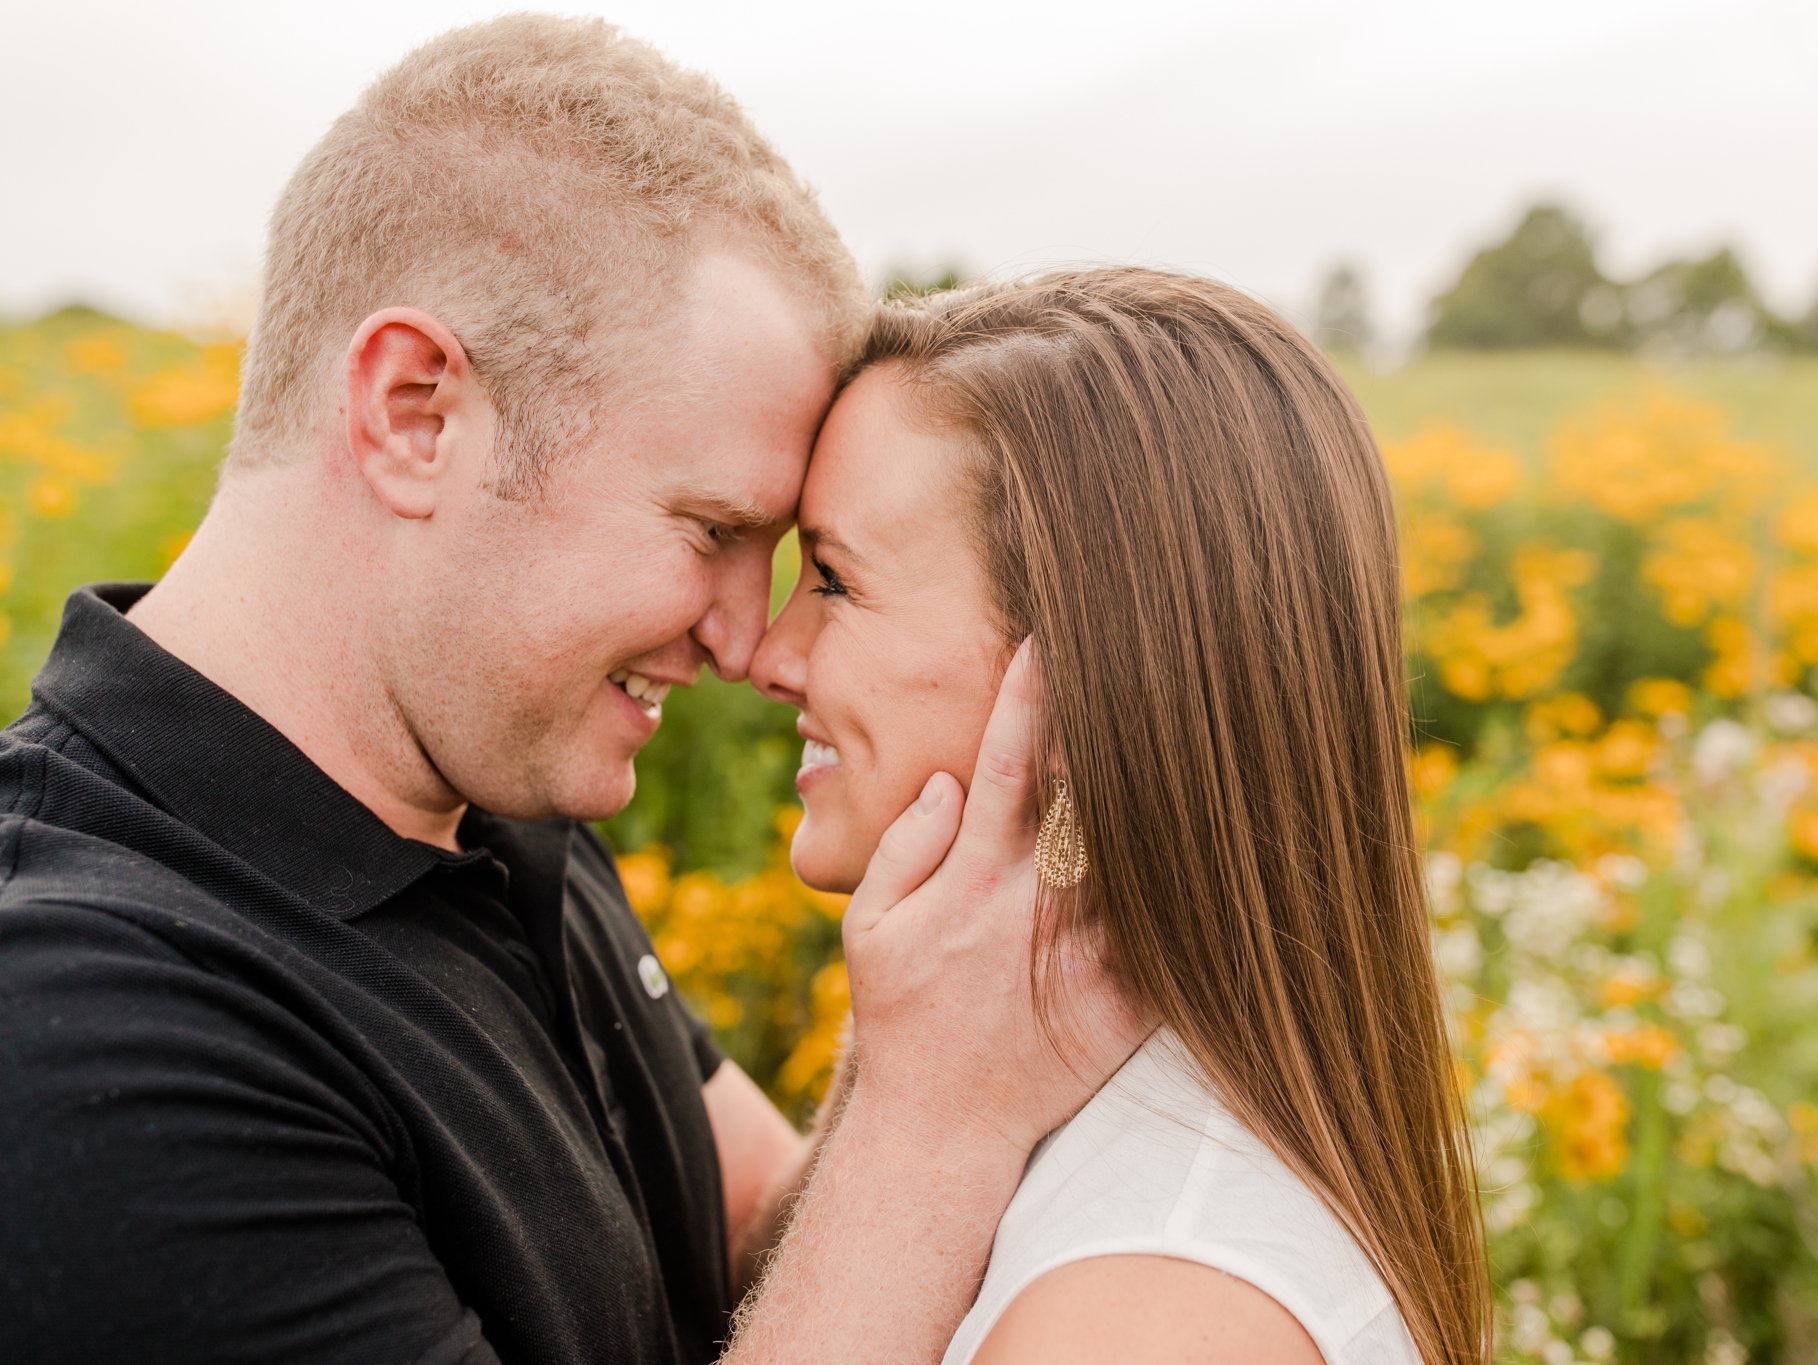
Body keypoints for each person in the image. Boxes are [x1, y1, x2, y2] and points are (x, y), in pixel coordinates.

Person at [0, 17, 1141, 1364]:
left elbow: (759, 1229)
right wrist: (929, 1115)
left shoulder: (489, 793)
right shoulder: (84, 1037)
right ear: (417, 412)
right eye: (711, 530)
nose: (745, 640)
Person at [748, 269, 1492, 1365]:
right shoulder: (1078, 1134)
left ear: (1081, 676)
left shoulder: (1150, 1314)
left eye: (835, 581)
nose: (768, 655)